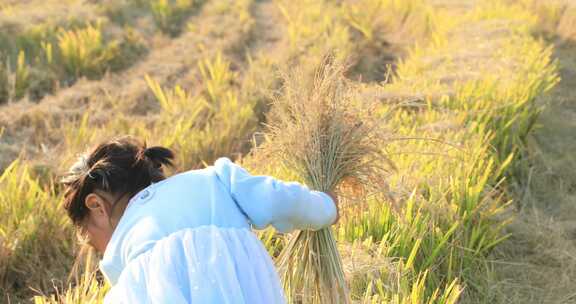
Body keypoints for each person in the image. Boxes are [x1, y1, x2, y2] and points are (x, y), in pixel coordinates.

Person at [60, 135, 339, 303]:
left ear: (97, 206)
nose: (101, 251)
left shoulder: (127, 260)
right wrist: (325, 207)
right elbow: (276, 198)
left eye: (91, 240)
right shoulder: (214, 179)